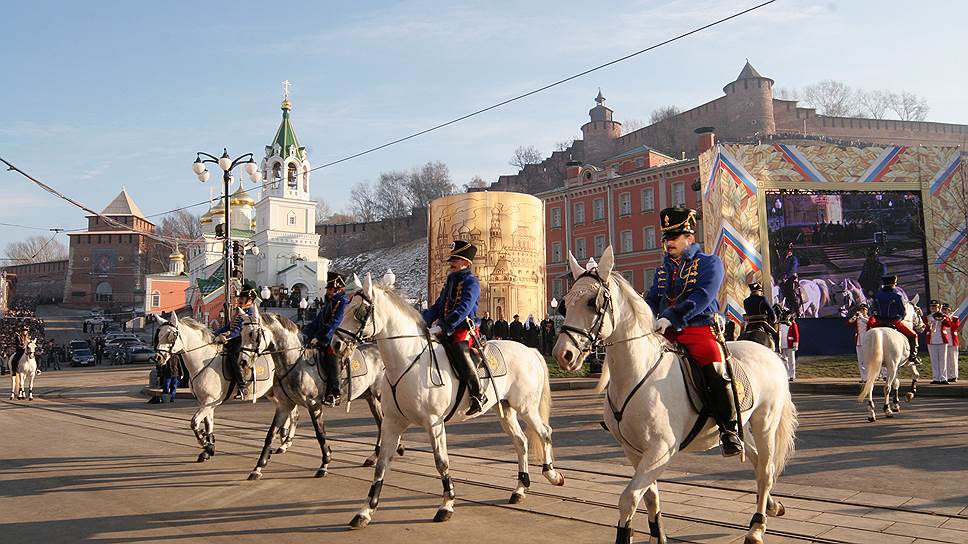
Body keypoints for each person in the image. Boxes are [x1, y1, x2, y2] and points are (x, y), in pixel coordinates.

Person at [645, 207, 742, 457]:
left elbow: (702, 296)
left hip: (699, 329)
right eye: (666, 239)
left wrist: (671, 316)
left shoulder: (710, 263)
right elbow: (652, 299)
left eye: (674, 238)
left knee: (716, 370)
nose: (668, 244)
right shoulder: (663, 270)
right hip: (666, 333)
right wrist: (642, 318)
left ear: (689, 238)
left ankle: (728, 429)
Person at [423, 240, 486, 416]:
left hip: (463, 328)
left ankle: (478, 394)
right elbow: (438, 306)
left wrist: (445, 325)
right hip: (444, 327)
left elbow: (463, 309)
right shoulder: (450, 281)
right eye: (452, 260)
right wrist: (422, 320)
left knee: (459, 348)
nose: (451, 263)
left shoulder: (472, 282)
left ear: (466, 262)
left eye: (455, 260)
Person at [306, 272, 349, 406]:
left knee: (331, 356)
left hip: (337, 338)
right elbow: (317, 322)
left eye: (331, 289)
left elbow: (335, 323)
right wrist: (304, 334)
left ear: (339, 289)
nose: (329, 292)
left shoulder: (343, 302)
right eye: (329, 289)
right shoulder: (329, 303)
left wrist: (321, 339)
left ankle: (335, 392)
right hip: (323, 337)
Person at [214, 284, 258, 399]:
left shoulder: (251, 312)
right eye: (239, 299)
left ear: (249, 300)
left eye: (242, 299)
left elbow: (241, 330)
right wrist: (215, 333)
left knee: (234, 358)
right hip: (234, 339)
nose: (239, 301)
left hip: (243, 341)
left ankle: (242, 386)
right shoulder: (239, 311)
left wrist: (228, 337)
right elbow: (230, 326)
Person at [870, 275, 920, 365]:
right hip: (894, 322)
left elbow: (873, 310)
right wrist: (900, 318)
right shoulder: (897, 296)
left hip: (879, 322)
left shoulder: (876, 296)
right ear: (894, 284)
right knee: (913, 335)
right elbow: (902, 312)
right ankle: (913, 356)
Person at [742, 282, 778, 350]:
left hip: (750, 324)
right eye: (761, 291)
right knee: (776, 334)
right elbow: (771, 312)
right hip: (762, 323)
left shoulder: (745, 301)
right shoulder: (762, 299)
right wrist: (773, 319)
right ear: (759, 291)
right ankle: (777, 352)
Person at [924, 300, 949, 384]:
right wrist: (929, 324)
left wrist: (943, 318)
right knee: (934, 360)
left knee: (943, 360)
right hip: (931, 340)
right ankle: (935, 378)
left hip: (942, 340)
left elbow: (949, 325)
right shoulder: (927, 317)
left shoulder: (943, 316)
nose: (934, 308)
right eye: (932, 307)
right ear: (930, 308)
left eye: (936, 307)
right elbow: (924, 328)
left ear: (938, 308)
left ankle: (943, 378)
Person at [848, 303, 873, 382]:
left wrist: (862, 317)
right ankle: (863, 378)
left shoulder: (870, 318)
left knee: (868, 360)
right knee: (861, 360)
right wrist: (855, 316)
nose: (862, 311)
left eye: (864, 310)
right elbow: (848, 323)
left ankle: (870, 376)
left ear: (867, 310)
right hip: (859, 341)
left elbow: (871, 323)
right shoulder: (858, 319)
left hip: (867, 341)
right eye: (861, 310)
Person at [778, 243, 799, 313]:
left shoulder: (794, 259)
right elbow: (780, 268)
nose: (787, 251)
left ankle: (796, 310)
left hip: (791, 277)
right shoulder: (783, 258)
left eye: (789, 250)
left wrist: (786, 276)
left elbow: (793, 269)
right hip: (782, 277)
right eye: (787, 250)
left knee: (790, 292)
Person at [941, 302, 960, 383]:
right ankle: (948, 376)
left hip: (952, 342)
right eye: (943, 309)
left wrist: (949, 319)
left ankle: (954, 376)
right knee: (946, 360)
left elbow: (954, 327)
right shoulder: (940, 318)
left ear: (949, 310)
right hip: (944, 341)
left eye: (946, 309)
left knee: (953, 360)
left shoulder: (955, 318)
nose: (944, 311)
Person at [778, 309, 799, 381]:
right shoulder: (779, 324)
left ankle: (792, 375)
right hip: (782, 344)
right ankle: (786, 375)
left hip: (790, 344)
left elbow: (796, 335)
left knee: (791, 360)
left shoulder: (793, 324)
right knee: (784, 360)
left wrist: (795, 344)